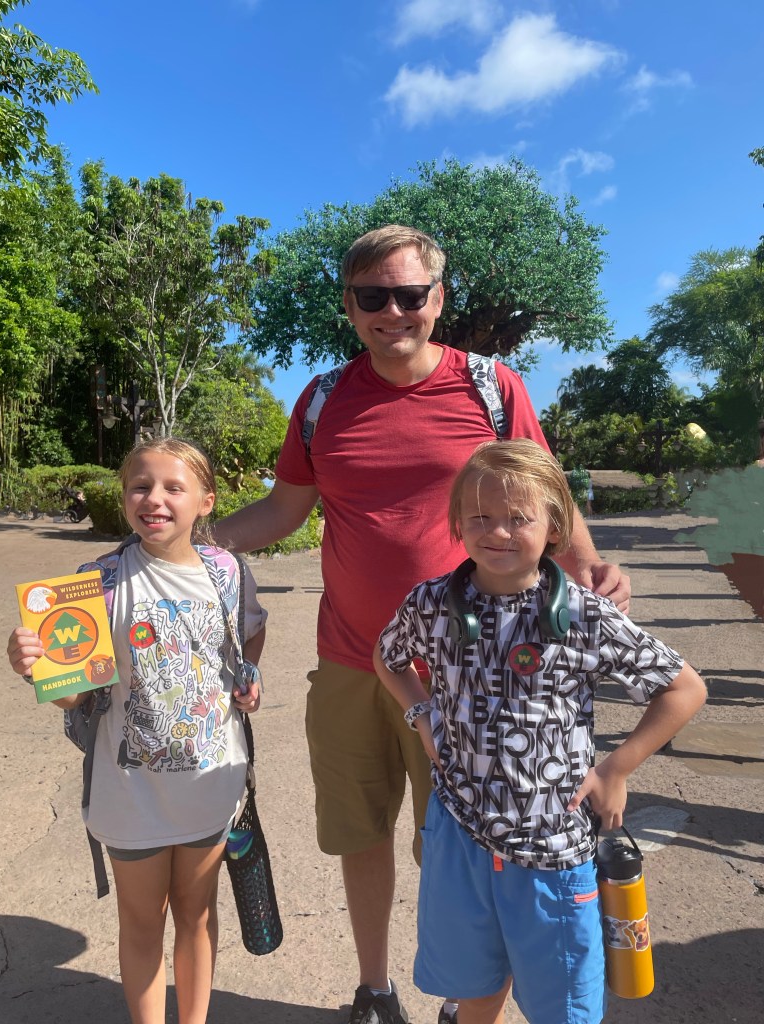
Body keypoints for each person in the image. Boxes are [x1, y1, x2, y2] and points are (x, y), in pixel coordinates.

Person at [213, 224, 631, 1024]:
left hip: (478, 671)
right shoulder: (322, 399)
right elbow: (283, 509)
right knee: (360, 834)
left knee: (471, 848)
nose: (393, 311)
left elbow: (543, 497)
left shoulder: (491, 386)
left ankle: (468, 998)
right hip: (350, 661)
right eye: (374, 297)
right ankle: (375, 988)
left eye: (411, 294)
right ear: (349, 306)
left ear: (438, 299)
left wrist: (588, 567)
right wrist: (181, 548)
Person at [372, 438, 706, 1024]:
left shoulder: (583, 615)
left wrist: (616, 768)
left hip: (551, 844)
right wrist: (420, 714)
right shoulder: (430, 604)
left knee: (564, 1006)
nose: (498, 532)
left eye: (518, 518)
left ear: (554, 526)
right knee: (474, 990)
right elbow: (388, 657)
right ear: (457, 523)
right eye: (480, 517)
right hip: (461, 831)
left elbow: (684, 689)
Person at [7, 438, 267, 1024]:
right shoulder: (96, 582)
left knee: (197, 916)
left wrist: (246, 679)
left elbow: (248, 635)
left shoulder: (226, 572)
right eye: (140, 486)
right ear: (124, 496)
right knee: (142, 923)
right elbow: (76, 694)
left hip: (210, 783)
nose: (155, 499)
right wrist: (35, 668)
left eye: (174, 488)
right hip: (130, 793)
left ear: (206, 501)